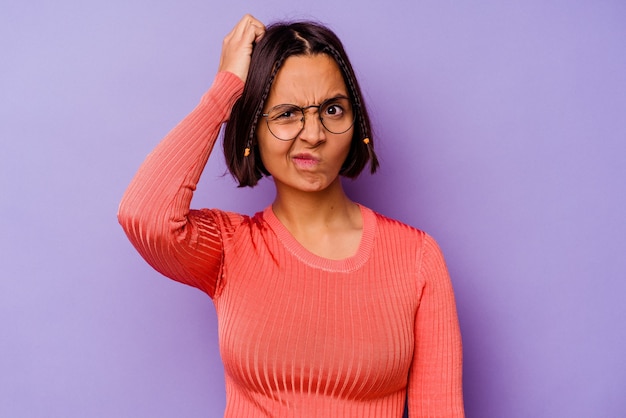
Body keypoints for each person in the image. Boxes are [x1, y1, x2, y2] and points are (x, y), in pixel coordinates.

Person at [118, 14, 464, 417]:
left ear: (357, 123)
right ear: (253, 131)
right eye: (286, 114)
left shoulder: (416, 258)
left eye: (332, 110)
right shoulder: (229, 249)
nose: (314, 133)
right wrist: (223, 91)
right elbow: (144, 215)